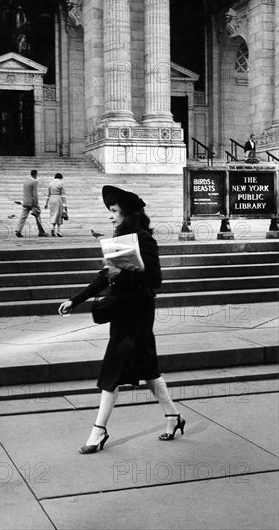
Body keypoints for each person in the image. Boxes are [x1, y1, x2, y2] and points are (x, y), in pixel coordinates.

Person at [58, 185, 185, 454]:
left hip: (138, 313)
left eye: (114, 211)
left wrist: (122, 275)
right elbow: (105, 274)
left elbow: (155, 280)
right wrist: (75, 300)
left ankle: (98, 431)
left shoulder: (144, 239)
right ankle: (173, 417)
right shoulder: (120, 237)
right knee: (148, 369)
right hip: (123, 313)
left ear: (127, 212)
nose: (110, 216)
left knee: (112, 373)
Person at [15, 169, 48, 238]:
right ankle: (41, 232)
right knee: (38, 216)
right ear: (35, 174)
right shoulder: (35, 182)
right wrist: (36, 204)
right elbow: (35, 194)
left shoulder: (26, 181)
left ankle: (18, 230)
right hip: (32, 203)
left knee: (23, 217)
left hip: (25, 201)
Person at [44, 173, 67, 237]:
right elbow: (63, 195)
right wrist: (64, 204)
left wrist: (46, 203)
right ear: (60, 177)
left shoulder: (50, 183)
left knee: (53, 214)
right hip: (58, 198)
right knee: (59, 214)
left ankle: (52, 228)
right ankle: (58, 231)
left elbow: (47, 195)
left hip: (51, 199)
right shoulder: (61, 183)